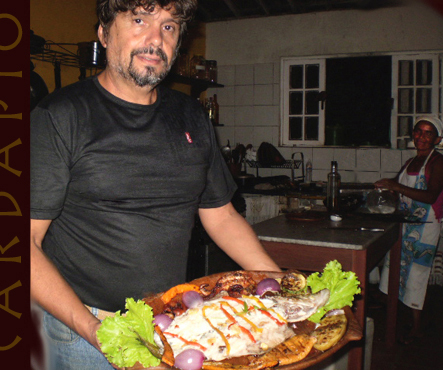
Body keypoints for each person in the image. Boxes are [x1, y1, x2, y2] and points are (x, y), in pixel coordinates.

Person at [30, 1, 281, 369]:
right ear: (103, 33)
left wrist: (280, 288)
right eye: (138, 20)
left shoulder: (191, 114)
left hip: (170, 321)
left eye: (169, 26)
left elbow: (222, 216)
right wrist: (95, 330)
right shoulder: (60, 116)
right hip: (87, 327)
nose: (154, 38)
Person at [375, 116, 443, 345]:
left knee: (416, 277)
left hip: (426, 227)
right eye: (418, 131)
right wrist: (384, 192)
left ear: (437, 139)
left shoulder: (439, 162)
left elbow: (429, 196)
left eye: (428, 133)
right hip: (404, 225)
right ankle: (393, 320)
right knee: (394, 271)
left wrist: (395, 185)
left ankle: (417, 328)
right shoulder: (410, 162)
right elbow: (398, 193)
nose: (421, 137)